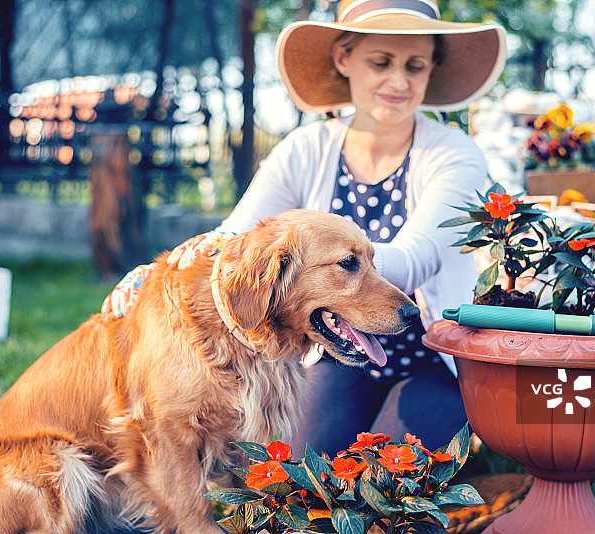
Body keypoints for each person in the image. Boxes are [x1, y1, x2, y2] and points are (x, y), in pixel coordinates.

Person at [105, 0, 506, 458]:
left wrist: (335, 258)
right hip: (339, 350)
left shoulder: (456, 153)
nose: (399, 81)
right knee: (299, 478)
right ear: (344, 59)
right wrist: (159, 272)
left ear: (432, 68)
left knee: (380, 482)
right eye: (381, 62)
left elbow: (414, 261)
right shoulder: (306, 148)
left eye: (415, 66)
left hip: (431, 360)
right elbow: (235, 239)